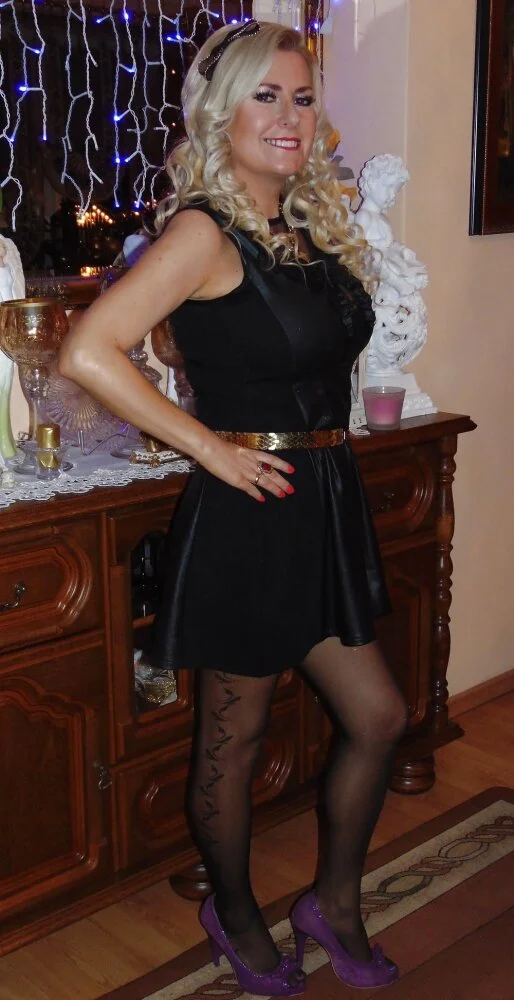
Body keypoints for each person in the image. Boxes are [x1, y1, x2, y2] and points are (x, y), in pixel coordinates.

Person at [59, 20, 407, 995]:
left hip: (321, 501)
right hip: (250, 513)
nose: (289, 116)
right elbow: (87, 349)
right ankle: (236, 911)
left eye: (302, 97)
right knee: (233, 741)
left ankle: (332, 903)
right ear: (222, 112)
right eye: (265, 95)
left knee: (379, 715)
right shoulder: (203, 232)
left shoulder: (307, 225)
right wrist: (209, 447)